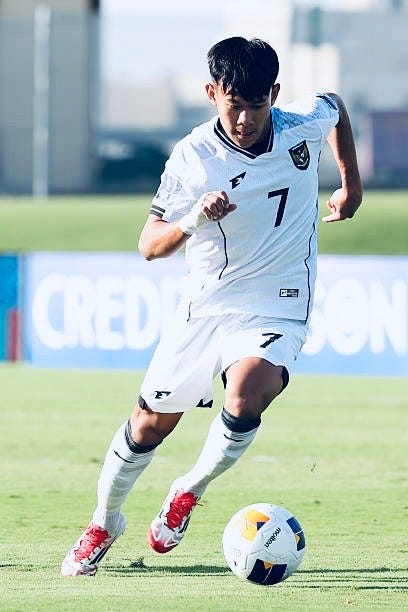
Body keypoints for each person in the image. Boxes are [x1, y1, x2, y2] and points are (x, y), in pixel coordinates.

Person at [61, 36, 362, 576]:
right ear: (211, 93)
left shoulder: (300, 124)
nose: (245, 119)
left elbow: (335, 107)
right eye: (233, 105)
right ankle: (104, 522)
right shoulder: (193, 157)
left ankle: (189, 488)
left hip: (278, 302)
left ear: (274, 94)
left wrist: (350, 185)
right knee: (148, 426)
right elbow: (148, 246)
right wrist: (194, 218)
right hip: (204, 307)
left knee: (246, 395)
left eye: (256, 105)